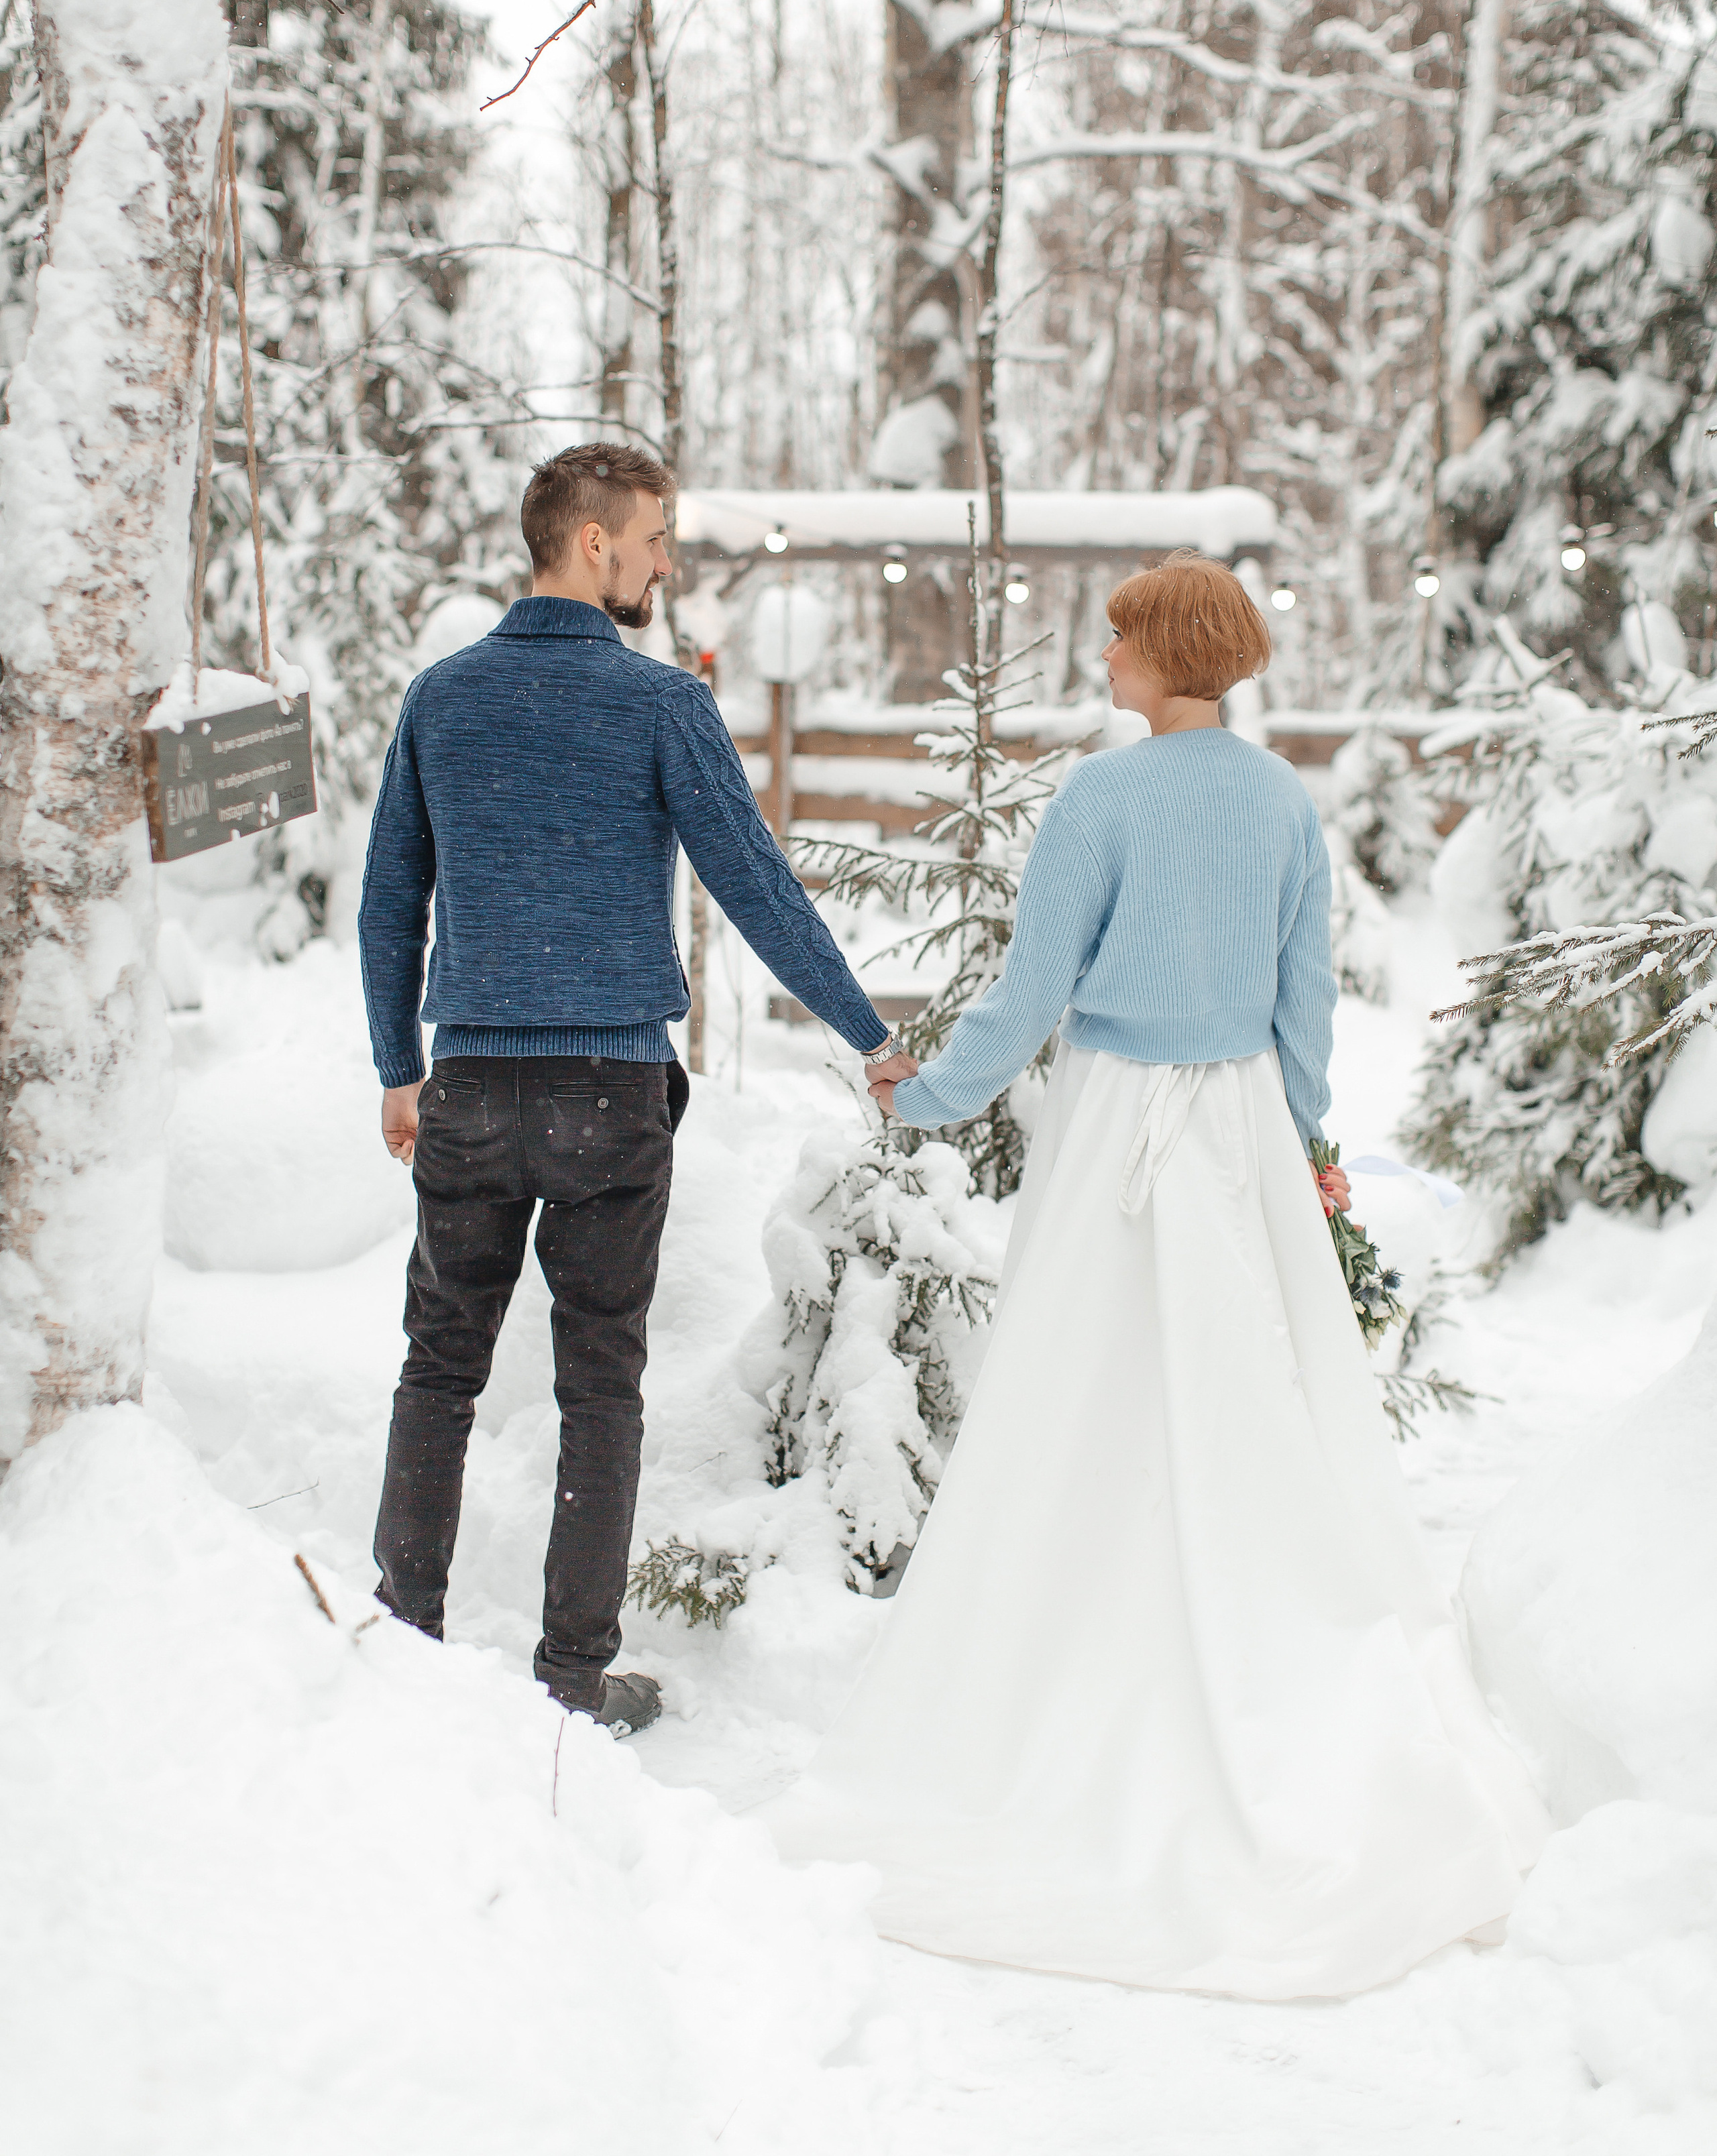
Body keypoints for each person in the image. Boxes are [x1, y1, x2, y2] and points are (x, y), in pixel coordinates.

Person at [767, 552, 1547, 1997]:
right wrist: (1301, 1136)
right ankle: (1253, 1637)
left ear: (1160, 651)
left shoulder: (1100, 800)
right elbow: (1300, 991)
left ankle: (1074, 1664)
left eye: (1118, 637)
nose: (1103, 657)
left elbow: (1030, 989)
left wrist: (928, 1096)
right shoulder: (1276, 803)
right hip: (1237, 1119)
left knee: (1085, 1393)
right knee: (1245, 1391)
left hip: (1119, 1121)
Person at [358, 443, 914, 1735]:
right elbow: (758, 886)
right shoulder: (660, 707)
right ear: (594, 543)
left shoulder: (443, 697)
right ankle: (569, 1679)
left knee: (438, 1367)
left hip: (474, 1084)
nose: (668, 563)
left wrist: (399, 1064)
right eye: (656, 538)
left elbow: (395, 900)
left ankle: (403, 1652)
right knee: (599, 1380)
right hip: (608, 1089)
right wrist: (867, 1036)